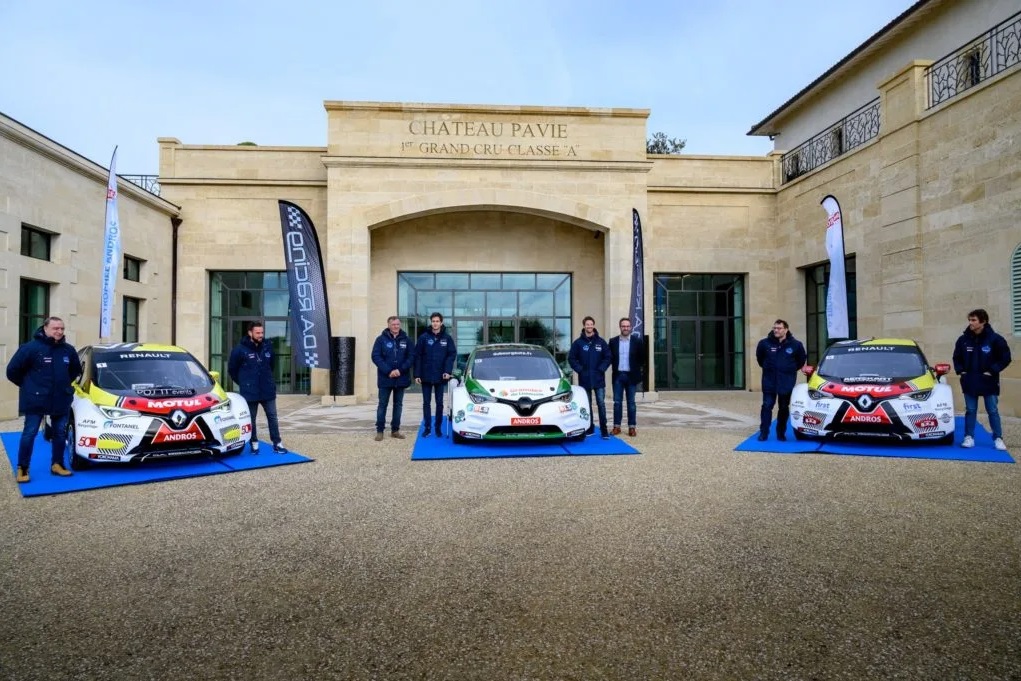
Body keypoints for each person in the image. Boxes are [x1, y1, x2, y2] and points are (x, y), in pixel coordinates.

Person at [5, 316, 82, 482]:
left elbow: (75, 370)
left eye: (62, 328)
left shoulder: (68, 350)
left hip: (61, 399)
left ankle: (57, 464)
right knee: (30, 434)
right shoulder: (30, 348)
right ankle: (23, 469)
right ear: (45, 328)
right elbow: (12, 371)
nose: (59, 332)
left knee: (60, 433)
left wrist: (63, 386)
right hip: (36, 400)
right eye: (55, 328)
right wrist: (29, 387)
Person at [952, 308, 1012, 450]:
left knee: (992, 410)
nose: (970, 323)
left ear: (983, 322)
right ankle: (969, 437)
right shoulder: (963, 340)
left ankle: (998, 438)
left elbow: (1005, 358)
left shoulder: (995, 339)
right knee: (971, 410)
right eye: (970, 320)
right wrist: (961, 371)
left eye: (974, 320)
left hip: (988, 382)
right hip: (970, 381)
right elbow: (957, 357)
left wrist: (992, 371)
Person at [228, 322, 287, 454]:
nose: (261, 335)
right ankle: (254, 443)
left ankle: (277, 443)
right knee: (251, 419)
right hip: (250, 392)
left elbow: (272, 366)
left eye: (262, 332)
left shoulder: (268, 346)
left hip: (267, 390)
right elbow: (232, 370)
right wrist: (244, 382)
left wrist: (267, 380)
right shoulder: (239, 349)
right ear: (250, 333)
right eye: (258, 333)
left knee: (272, 416)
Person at [755, 319, 807, 441]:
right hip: (769, 381)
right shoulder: (764, 343)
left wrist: (789, 369)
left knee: (783, 408)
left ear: (786, 329)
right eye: (774, 328)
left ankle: (780, 433)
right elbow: (760, 359)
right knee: (767, 406)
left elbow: (801, 360)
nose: (776, 330)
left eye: (779, 328)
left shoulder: (796, 345)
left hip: (786, 381)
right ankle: (764, 433)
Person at [569, 316, 612, 439]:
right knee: (587, 405)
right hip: (585, 379)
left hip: (599, 379)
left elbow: (608, 357)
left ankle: (604, 430)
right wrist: (580, 370)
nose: (589, 326)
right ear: (584, 326)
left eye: (591, 324)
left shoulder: (601, 342)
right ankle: (589, 428)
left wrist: (601, 368)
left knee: (601, 404)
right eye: (587, 324)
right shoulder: (578, 343)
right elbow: (571, 358)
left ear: (594, 325)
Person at [414, 312, 456, 437]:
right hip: (426, 376)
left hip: (440, 376)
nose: (435, 323)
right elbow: (418, 356)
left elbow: (451, 355)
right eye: (433, 321)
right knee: (426, 403)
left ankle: (438, 428)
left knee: (439, 403)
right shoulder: (424, 338)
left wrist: (447, 371)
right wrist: (417, 374)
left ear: (441, 323)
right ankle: (427, 427)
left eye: (437, 321)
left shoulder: (447, 338)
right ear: (431, 322)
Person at [371, 316, 413, 441]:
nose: (396, 326)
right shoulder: (380, 340)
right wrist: (389, 371)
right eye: (393, 324)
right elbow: (376, 356)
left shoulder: (406, 340)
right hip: (385, 378)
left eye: (398, 324)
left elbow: (411, 356)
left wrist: (400, 370)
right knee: (382, 404)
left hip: (401, 378)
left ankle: (395, 430)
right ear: (388, 325)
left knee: (398, 405)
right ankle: (380, 431)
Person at [609, 317, 645, 437]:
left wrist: (636, 370)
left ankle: (632, 427)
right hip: (618, 376)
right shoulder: (613, 341)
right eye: (623, 326)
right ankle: (617, 427)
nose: (625, 328)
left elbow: (642, 358)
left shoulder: (637, 341)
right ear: (620, 327)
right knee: (617, 402)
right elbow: (609, 358)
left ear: (631, 327)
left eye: (627, 326)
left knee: (631, 403)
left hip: (631, 376)